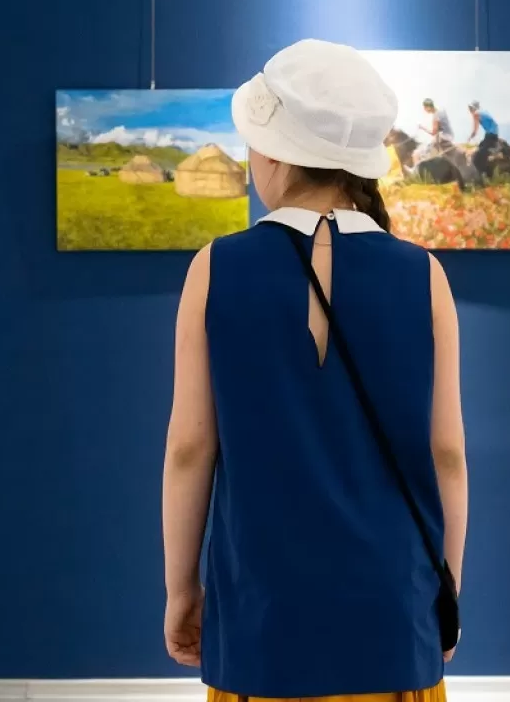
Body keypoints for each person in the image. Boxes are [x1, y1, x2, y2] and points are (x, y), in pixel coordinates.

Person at [161, 39, 469, 702]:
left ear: (272, 152)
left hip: (259, 617)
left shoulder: (215, 268)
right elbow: (445, 454)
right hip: (391, 612)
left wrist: (181, 588)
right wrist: (445, 588)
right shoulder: (425, 277)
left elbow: (189, 450)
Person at [466, 101, 500, 182]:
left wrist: (470, 137)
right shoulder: (483, 112)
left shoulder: (476, 114)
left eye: (470, 108)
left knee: (479, 156)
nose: (469, 110)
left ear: (473, 108)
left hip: (490, 135)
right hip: (492, 134)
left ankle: (481, 175)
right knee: (480, 148)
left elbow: (475, 130)